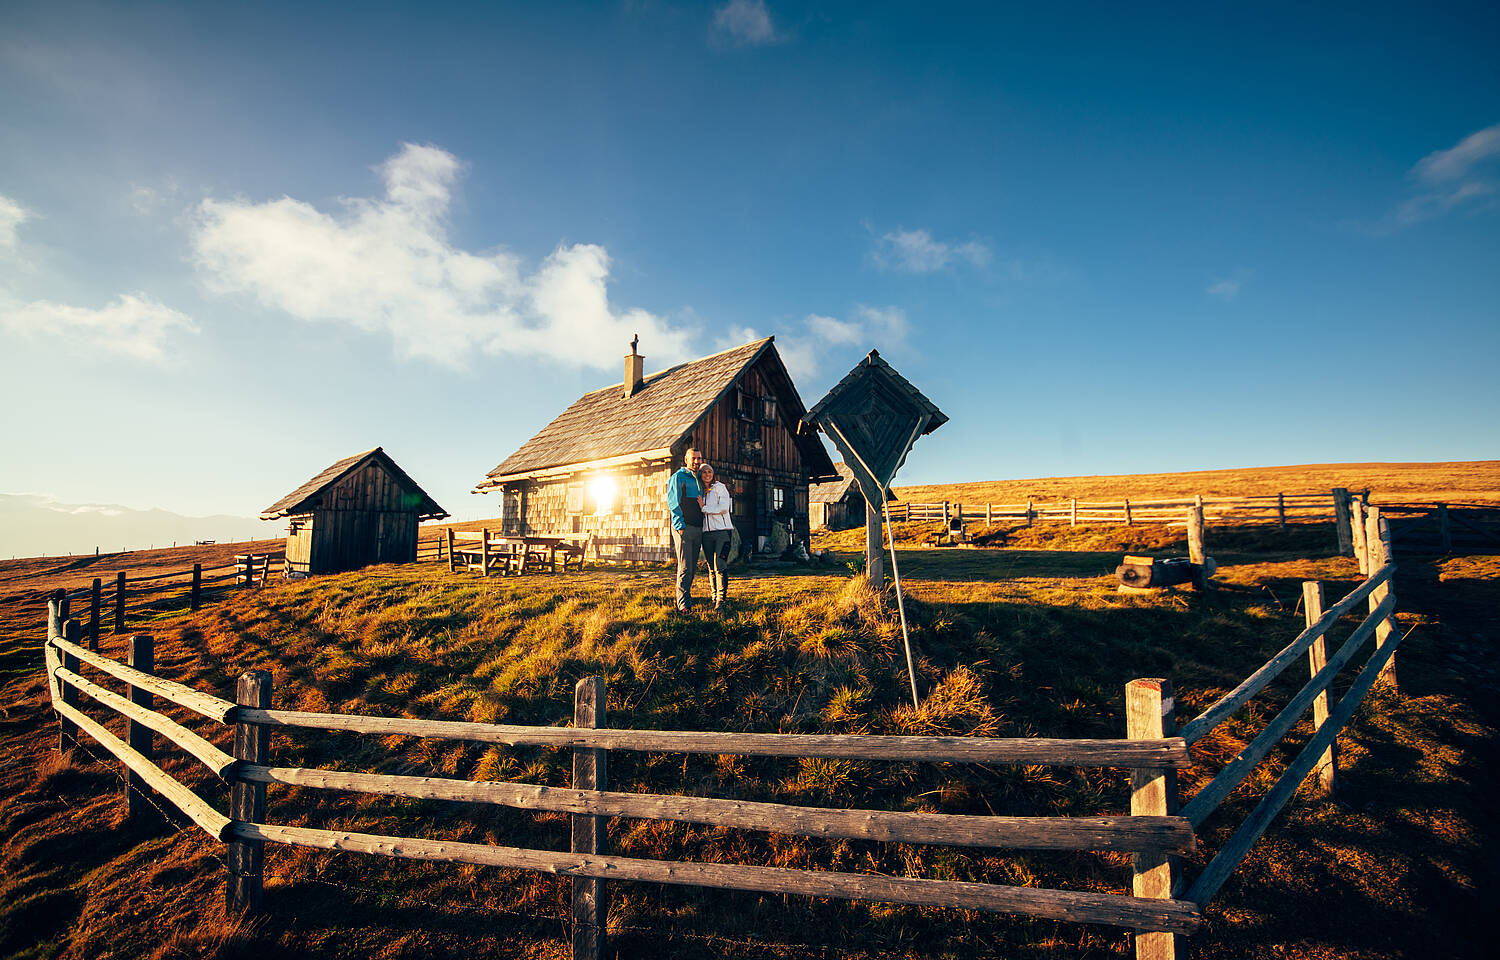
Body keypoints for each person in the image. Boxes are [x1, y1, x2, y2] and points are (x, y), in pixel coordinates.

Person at [666, 447, 704, 611]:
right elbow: (673, 503)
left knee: (692, 566)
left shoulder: (698, 479)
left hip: (697, 528)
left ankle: (687, 597)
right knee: (685, 567)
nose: (696, 461)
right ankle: (683, 605)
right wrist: (680, 526)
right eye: (693, 458)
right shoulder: (678, 477)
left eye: (699, 458)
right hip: (684, 528)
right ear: (686, 460)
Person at [698, 463, 734, 610]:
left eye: (710, 471)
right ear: (700, 475)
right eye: (704, 472)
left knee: (720, 565)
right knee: (711, 567)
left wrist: (704, 508)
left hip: (722, 532)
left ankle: (721, 599)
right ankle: (714, 597)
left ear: (713, 474)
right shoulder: (700, 490)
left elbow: (724, 508)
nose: (707, 474)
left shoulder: (720, 487)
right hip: (706, 534)